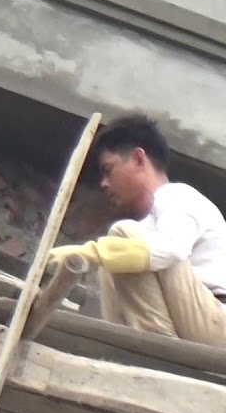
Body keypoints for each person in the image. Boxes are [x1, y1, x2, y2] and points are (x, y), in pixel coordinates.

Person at [49, 114, 226, 347]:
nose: (104, 183)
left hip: (217, 320)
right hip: (194, 323)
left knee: (123, 236)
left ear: (139, 159)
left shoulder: (178, 196)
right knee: (113, 264)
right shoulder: (151, 223)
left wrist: (91, 253)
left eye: (108, 169)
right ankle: (129, 346)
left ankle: (154, 350)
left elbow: (172, 250)